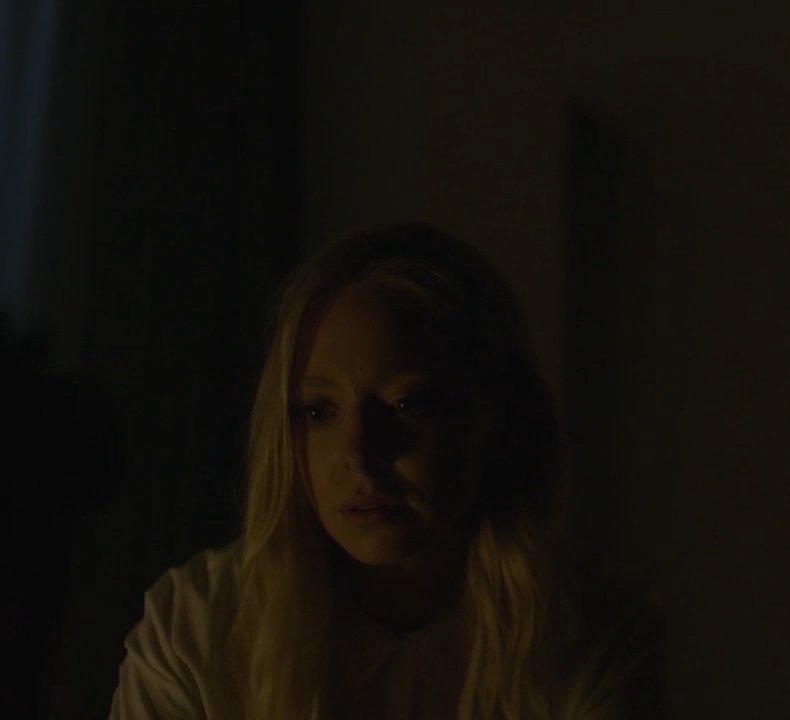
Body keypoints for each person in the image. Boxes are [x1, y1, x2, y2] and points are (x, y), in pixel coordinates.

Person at [109, 224, 664, 719]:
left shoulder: (588, 634)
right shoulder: (197, 628)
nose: (359, 453)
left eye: (406, 404)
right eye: (318, 412)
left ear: (494, 417)